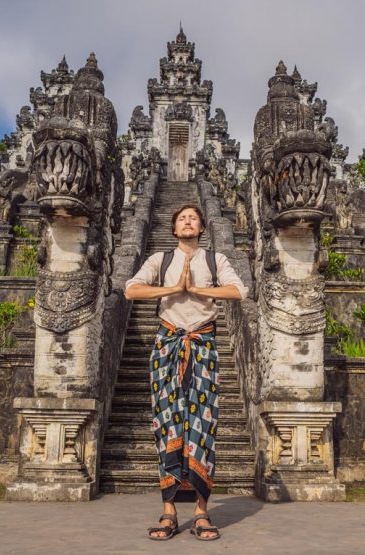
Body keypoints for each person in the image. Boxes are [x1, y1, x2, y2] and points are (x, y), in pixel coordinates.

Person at [125, 204, 247, 541]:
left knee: (202, 427)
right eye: (182, 219)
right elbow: (131, 289)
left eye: (193, 218)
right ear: (174, 229)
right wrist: (173, 289)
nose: (188, 221)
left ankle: (201, 512)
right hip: (167, 344)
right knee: (166, 424)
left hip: (203, 345)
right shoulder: (160, 261)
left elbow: (239, 290)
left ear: (202, 227)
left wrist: (197, 290)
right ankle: (168, 512)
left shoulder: (214, 260)